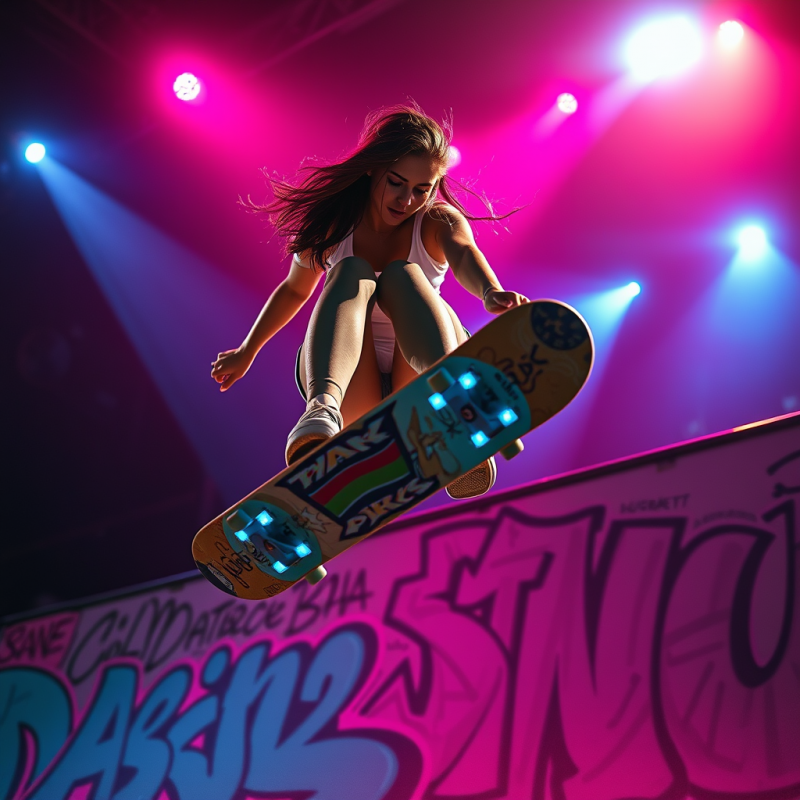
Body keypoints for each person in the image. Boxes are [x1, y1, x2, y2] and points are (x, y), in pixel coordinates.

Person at [210, 104, 529, 498]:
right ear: (372, 169)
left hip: (418, 378)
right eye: (396, 182)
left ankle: (455, 407)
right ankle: (322, 411)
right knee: (351, 269)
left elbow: (464, 253)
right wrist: (248, 350)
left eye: (421, 189)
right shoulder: (334, 223)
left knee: (401, 274)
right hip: (352, 385)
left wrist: (490, 291)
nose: (407, 200)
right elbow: (294, 290)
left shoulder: (437, 221)